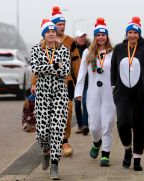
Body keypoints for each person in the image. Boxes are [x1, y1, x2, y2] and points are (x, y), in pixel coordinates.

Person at [31, 6, 81, 157]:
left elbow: (76, 63)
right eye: (59, 24)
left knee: (66, 112)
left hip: (67, 84)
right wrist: (34, 83)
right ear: (51, 27)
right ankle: (51, 144)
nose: (62, 26)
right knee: (48, 117)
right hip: (45, 85)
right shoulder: (42, 44)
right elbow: (37, 67)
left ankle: (64, 141)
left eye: (63, 23)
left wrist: (80, 83)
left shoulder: (70, 42)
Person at [111, 17, 144, 171]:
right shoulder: (119, 49)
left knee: (140, 126)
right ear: (126, 34)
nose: (132, 35)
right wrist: (113, 86)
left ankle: (137, 159)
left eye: (135, 33)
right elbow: (113, 69)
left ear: (139, 34)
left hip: (141, 95)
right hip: (122, 94)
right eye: (130, 32)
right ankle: (127, 150)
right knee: (122, 123)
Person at [30, 19, 70, 180]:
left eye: (53, 31)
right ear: (44, 34)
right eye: (48, 31)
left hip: (60, 93)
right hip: (42, 94)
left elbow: (65, 70)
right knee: (41, 132)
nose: (52, 34)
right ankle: (46, 153)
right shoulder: (35, 50)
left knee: (57, 130)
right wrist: (54, 66)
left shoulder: (64, 50)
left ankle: (54, 164)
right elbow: (35, 68)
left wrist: (47, 68)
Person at [75, 18, 116, 167]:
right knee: (93, 126)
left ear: (107, 36)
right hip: (92, 93)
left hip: (109, 94)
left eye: (103, 35)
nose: (100, 37)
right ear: (95, 36)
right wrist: (78, 92)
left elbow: (118, 73)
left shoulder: (112, 52)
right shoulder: (87, 52)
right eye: (98, 35)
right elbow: (81, 74)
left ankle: (105, 154)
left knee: (107, 123)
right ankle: (96, 142)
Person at [74, 30, 90, 135]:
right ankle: (79, 125)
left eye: (84, 36)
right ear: (76, 38)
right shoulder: (73, 49)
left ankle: (85, 125)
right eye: (80, 36)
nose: (83, 38)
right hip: (76, 81)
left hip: (88, 80)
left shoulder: (89, 49)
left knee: (85, 102)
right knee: (77, 104)